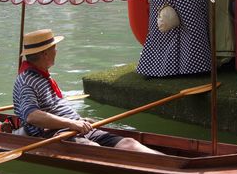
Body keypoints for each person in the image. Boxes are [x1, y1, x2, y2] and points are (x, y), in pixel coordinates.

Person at [13, 29, 161, 153]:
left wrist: (78, 120)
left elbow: (55, 108)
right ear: (45, 54)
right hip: (54, 133)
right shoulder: (27, 80)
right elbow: (32, 116)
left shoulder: (42, 76)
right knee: (95, 150)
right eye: (54, 48)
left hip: (74, 127)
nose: (56, 51)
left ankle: (170, 162)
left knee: (128, 143)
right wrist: (72, 123)